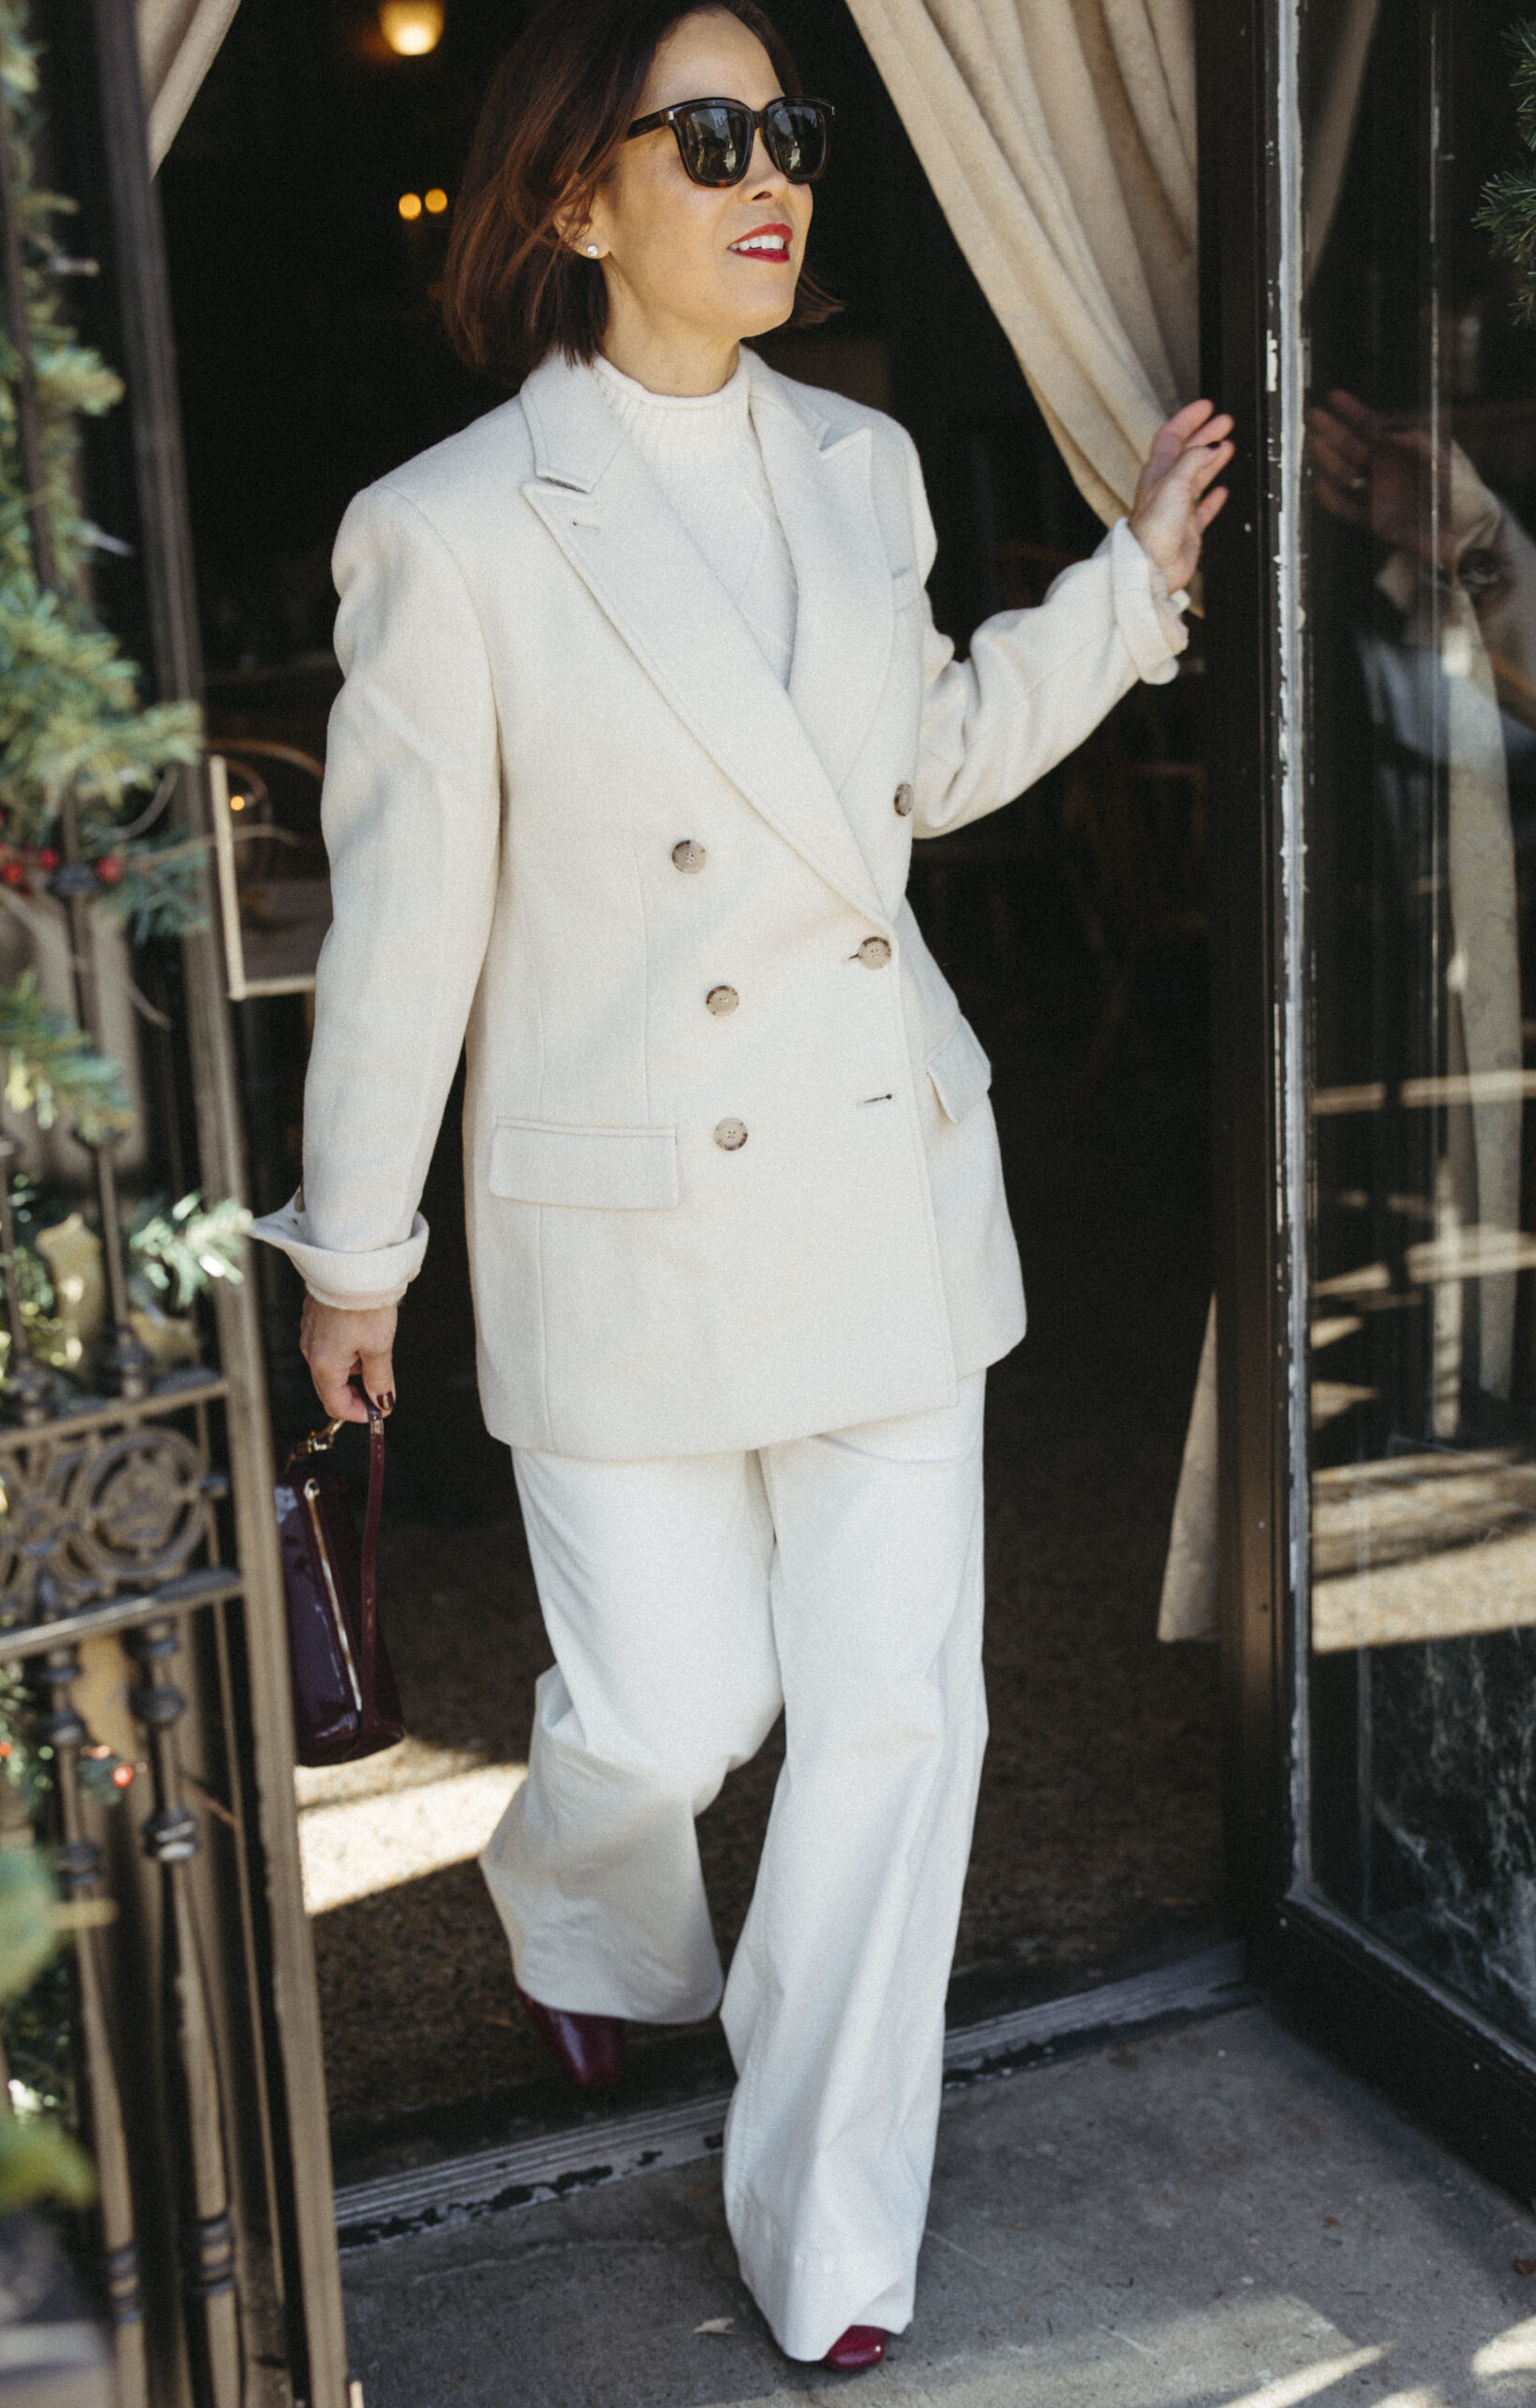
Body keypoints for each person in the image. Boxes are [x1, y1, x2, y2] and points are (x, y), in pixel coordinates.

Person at [254, 0, 1232, 2369]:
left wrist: (1123, 589)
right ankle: (579, 1902)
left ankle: (825, 2228)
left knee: (896, 1720)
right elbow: (404, 938)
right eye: (708, 135)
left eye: (782, 127)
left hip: (882, 1192)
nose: (767, 169)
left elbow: (913, 770)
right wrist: (352, 1254)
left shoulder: (865, 464)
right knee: (671, 1711)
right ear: (572, 199)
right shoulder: (448, 528)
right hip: (622, 1234)